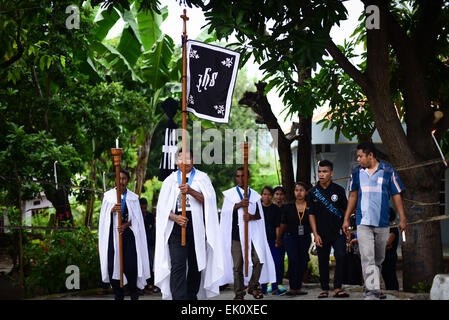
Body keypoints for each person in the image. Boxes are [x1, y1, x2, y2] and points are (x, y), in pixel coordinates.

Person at [154, 149, 223, 300]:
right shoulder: (170, 180)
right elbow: (162, 209)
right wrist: (175, 218)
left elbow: (210, 202)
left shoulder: (202, 178)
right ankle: (179, 298)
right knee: (178, 264)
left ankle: (191, 296)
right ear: (176, 162)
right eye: (181, 159)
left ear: (194, 159)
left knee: (195, 263)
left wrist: (191, 191)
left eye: (188, 158)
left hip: (196, 226)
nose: (185, 162)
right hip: (176, 226)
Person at [343, 141, 406, 300]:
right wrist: (346, 219)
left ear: (370, 155)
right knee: (368, 257)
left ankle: (371, 287)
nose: (358, 159)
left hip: (383, 223)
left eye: (360, 156)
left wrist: (402, 218)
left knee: (378, 258)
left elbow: (396, 195)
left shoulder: (388, 171)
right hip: (363, 223)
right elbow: (353, 196)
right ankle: (372, 293)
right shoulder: (356, 173)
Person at [220, 167, 276, 300]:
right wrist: (239, 205)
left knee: (259, 260)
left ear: (248, 177)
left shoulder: (255, 196)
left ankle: (252, 286)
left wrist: (251, 217)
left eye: (243, 176)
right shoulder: (230, 195)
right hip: (235, 236)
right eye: (238, 176)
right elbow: (225, 213)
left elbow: (259, 215)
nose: (240, 179)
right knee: (237, 265)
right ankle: (239, 293)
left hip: (252, 235)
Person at [98, 169, 151, 300]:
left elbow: (138, 220)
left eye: (124, 179)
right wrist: (111, 211)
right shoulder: (108, 196)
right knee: (112, 266)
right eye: (119, 178)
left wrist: (126, 225)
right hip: (113, 236)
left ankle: (133, 292)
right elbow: (103, 219)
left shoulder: (133, 198)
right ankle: (118, 294)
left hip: (129, 236)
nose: (121, 181)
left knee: (131, 266)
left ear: (127, 181)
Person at [308, 160, 350, 298]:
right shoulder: (313, 192)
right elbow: (311, 215)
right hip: (321, 233)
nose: (321, 174)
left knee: (341, 256)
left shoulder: (339, 190)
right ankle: (324, 288)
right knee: (323, 260)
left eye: (325, 172)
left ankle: (337, 287)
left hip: (338, 232)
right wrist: (315, 234)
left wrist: (347, 224)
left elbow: (346, 210)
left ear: (331, 173)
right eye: (319, 171)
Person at [276, 182, 311, 296]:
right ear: (294, 192)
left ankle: (298, 287)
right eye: (297, 190)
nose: (299, 193)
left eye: (301, 190)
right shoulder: (288, 206)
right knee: (293, 259)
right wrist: (278, 238)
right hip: (290, 237)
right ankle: (292, 287)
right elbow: (283, 223)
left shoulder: (310, 206)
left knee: (303, 260)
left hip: (305, 237)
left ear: (306, 192)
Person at [259, 186, 286, 295]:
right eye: (264, 194)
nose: (266, 197)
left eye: (269, 194)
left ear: (272, 196)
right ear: (261, 196)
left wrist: (277, 239)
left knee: (276, 262)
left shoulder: (275, 209)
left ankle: (275, 287)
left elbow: (277, 226)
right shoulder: (257, 207)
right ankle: (263, 288)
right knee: (262, 263)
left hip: (272, 240)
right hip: (260, 241)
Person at [139, 197, 156, 294]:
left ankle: (151, 284)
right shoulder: (137, 215)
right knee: (142, 264)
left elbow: (153, 229)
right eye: (141, 208)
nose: (143, 210)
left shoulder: (150, 215)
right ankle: (143, 285)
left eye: (145, 208)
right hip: (140, 244)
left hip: (149, 244)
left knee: (150, 263)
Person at [381, 208, 400, 290]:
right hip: (384, 256)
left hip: (389, 257)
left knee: (391, 278)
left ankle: (394, 293)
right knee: (386, 277)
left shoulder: (393, 228)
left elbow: (387, 243)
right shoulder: (384, 228)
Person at [272, 186, 287, 288]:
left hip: (285, 237)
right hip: (272, 238)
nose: (279, 197)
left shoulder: (286, 208)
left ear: (284, 196)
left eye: (281, 194)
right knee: (273, 261)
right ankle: (271, 283)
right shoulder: (270, 208)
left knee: (280, 261)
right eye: (277, 194)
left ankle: (279, 283)